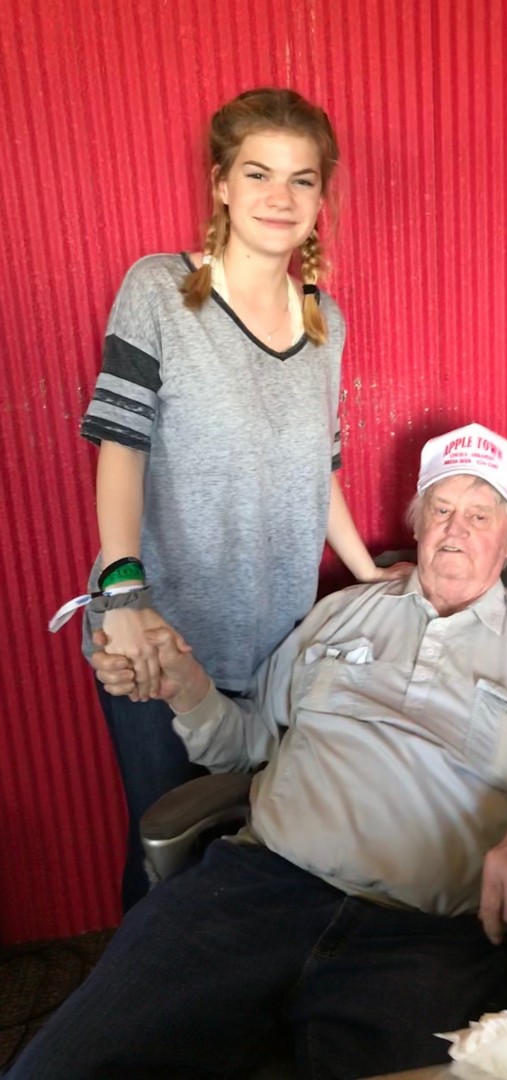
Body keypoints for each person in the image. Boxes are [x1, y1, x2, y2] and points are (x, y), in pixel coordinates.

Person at [22, 424, 507, 1080]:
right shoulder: (341, 613)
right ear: (417, 523)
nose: (455, 530)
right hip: (251, 891)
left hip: (423, 940)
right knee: (63, 1066)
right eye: (440, 509)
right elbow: (246, 743)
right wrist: (184, 686)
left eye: (479, 515)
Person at [71, 87, 408, 909]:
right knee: (166, 846)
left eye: (302, 179)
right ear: (221, 183)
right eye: (258, 173)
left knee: (249, 848)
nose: (279, 197)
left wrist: (367, 570)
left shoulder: (323, 319)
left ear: (321, 199)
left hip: (271, 649)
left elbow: (319, 471)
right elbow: (122, 449)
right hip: (159, 630)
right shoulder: (161, 289)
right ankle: (137, 989)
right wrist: (124, 595)